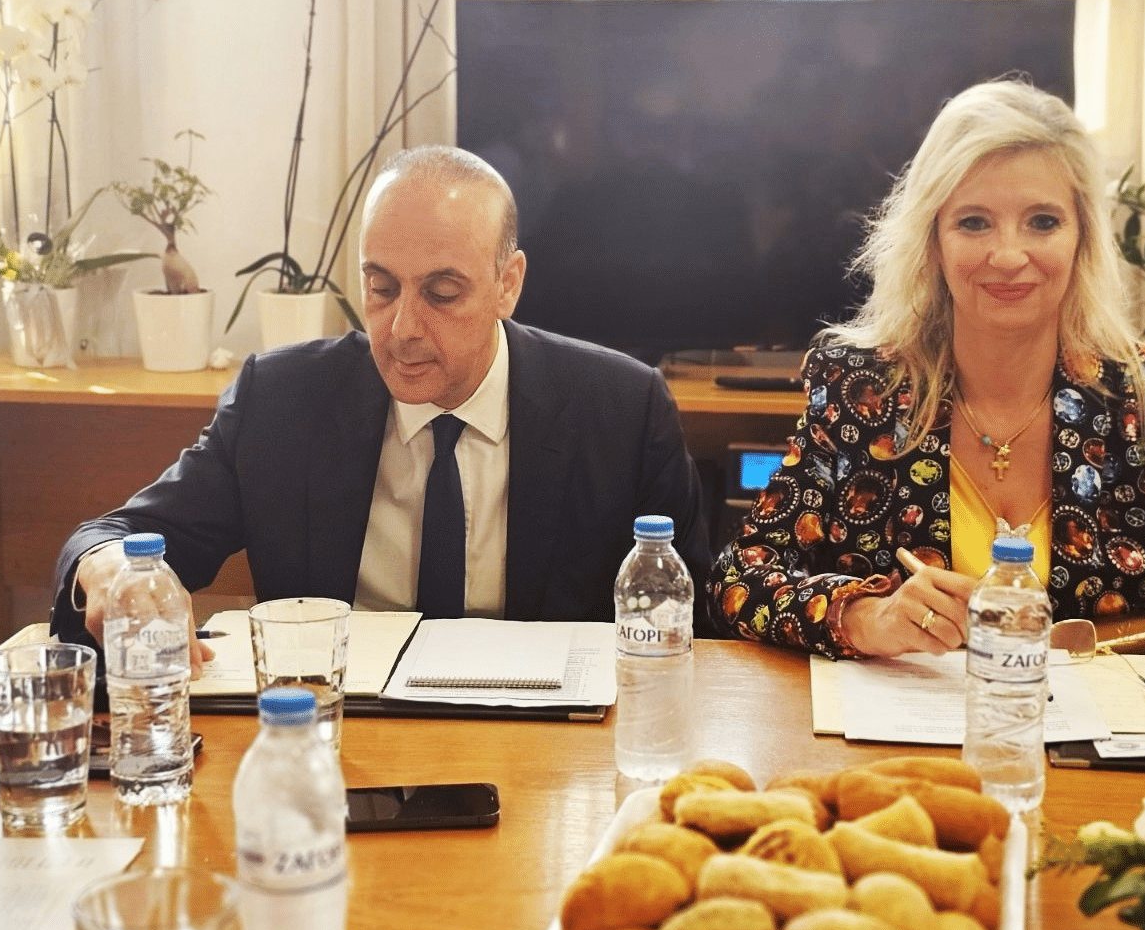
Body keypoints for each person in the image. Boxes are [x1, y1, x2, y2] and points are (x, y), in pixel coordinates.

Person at [709, 79, 1145, 662]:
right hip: (898, 737)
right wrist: (862, 617)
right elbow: (739, 580)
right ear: (933, 241)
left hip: (1099, 743)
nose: (1009, 256)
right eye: (973, 222)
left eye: (1043, 221)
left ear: (1081, 237)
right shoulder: (861, 389)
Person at [52, 146, 711, 671]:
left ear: (507, 284)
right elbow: (118, 535)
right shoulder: (281, 401)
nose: (402, 329)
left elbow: (697, 630)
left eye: (442, 293)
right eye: (382, 288)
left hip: (550, 749)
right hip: (337, 735)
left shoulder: (621, 411)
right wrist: (109, 569)